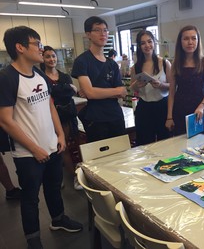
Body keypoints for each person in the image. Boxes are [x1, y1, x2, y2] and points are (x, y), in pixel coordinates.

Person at [0, 26, 82, 249]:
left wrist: (60, 135)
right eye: (36, 43)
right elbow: (5, 120)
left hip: (52, 146)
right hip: (28, 153)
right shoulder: (7, 78)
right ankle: (33, 239)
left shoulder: (40, 75)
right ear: (20, 47)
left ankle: (58, 220)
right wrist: (34, 148)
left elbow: (50, 106)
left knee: (54, 187)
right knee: (30, 198)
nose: (41, 48)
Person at [71, 16, 127, 143]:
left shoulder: (111, 64)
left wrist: (95, 92)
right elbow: (90, 93)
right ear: (88, 34)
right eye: (97, 30)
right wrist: (113, 91)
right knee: (101, 159)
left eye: (105, 30)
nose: (103, 33)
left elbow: (123, 92)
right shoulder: (82, 61)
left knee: (122, 156)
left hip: (116, 116)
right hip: (96, 119)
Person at [41, 46, 82, 190]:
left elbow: (72, 93)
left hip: (70, 115)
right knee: (61, 148)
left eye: (53, 56)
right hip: (55, 118)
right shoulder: (41, 78)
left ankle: (81, 175)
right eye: (48, 56)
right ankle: (68, 176)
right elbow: (52, 96)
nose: (51, 59)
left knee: (76, 144)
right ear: (43, 59)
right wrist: (66, 88)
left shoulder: (64, 75)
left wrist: (63, 89)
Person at [165, 25, 204, 136]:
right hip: (180, 109)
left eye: (193, 38)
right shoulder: (175, 64)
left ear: (198, 40)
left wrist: (202, 106)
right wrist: (169, 117)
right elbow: (171, 93)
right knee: (181, 145)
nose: (190, 42)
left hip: (198, 109)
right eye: (186, 39)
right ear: (180, 42)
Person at [130, 30, 171, 145]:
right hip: (144, 108)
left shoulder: (164, 63)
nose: (147, 45)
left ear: (154, 43)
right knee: (145, 144)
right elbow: (132, 88)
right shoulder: (135, 67)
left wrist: (161, 85)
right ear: (139, 46)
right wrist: (136, 86)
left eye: (149, 41)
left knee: (165, 142)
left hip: (163, 106)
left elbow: (173, 86)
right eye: (143, 43)